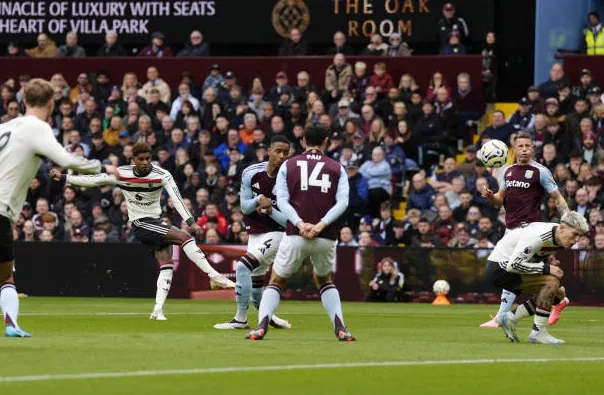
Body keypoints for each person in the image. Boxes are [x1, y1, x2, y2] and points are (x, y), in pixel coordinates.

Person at [50, 142, 234, 321]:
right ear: (133, 159)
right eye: (141, 159)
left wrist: (190, 220)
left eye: (148, 159)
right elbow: (95, 180)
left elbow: (177, 198)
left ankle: (157, 310)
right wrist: (66, 177)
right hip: (140, 224)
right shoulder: (123, 174)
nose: (145, 162)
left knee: (166, 264)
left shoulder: (162, 175)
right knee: (184, 236)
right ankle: (214, 276)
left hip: (156, 221)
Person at [0, 78, 104, 337]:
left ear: (23, 102)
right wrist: (104, 168)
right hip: (1, 212)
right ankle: (11, 325)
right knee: (5, 278)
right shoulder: (38, 127)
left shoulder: (5, 127)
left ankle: (12, 325)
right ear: (51, 103)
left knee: (5, 277)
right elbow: (66, 160)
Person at [246, 124, 355, 341]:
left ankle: (261, 325)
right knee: (324, 280)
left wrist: (300, 223)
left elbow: (283, 201)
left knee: (276, 281)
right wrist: (320, 225)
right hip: (325, 236)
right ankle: (341, 327)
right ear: (326, 141)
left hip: (296, 233)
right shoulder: (337, 168)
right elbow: (343, 202)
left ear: (303, 140)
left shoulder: (289, 165)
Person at [479, 133, 570, 328]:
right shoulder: (509, 171)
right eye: (521, 146)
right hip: (510, 229)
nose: (524, 149)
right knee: (518, 273)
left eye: (528, 146)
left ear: (533, 149)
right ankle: (560, 299)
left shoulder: (541, 172)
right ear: (514, 149)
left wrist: (567, 216)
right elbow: (500, 198)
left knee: (512, 270)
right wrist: (490, 197)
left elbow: (557, 196)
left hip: (530, 230)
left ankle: (500, 318)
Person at [214, 136, 293, 330]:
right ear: (269, 151)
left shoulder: (291, 178)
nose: (282, 156)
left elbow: (290, 221)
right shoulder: (251, 172)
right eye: (278, 151)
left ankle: (241, 319)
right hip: (256, 233)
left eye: (286, 152)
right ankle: (269, 317)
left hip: (278, 233)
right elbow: (245, 208)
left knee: (242, 267)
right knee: (256, 280)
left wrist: (270, 210)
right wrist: (259, 200)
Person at [486, 211, 588, 344]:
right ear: (562, 228)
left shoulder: (558, 235)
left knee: (559, 293)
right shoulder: (539, 236)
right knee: (551, 282)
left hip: (508, 269)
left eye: (579, 236)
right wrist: (547, 268)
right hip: (499, 268)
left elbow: (537, 252)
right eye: (575, 234)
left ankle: (510, 318)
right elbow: (513, 265)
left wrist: (548, 261)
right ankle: (538, 332)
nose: (576, 240)